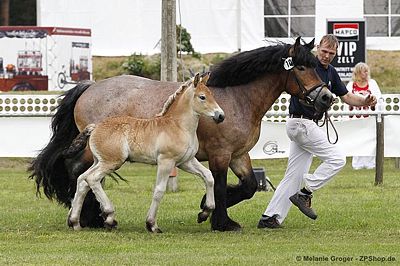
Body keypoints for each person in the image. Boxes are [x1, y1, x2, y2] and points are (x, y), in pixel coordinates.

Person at [257, 34, 377, 229]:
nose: (327, 56)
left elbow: (346, 96)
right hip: (302, 124)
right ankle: (305, 193)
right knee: (338, 159)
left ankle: (270, 218)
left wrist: (364, 101)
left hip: (303, 125)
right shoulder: (307, 65)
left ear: (336, 54)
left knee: (294, 175)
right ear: (318, 48)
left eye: (331, 53)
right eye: (324, 51)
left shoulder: (331, 72)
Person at [346, 62, 382, 170]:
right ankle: (357, 164)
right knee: (357, 139)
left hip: (369, 116)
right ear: (357, 72)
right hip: (355, 117)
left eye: (367, 71)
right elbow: (347, 99)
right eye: (364, 71)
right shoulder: (351, 84)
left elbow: (379, 98)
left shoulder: (373, 83)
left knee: (370, 140)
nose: (366, 73)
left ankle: (370, 164)